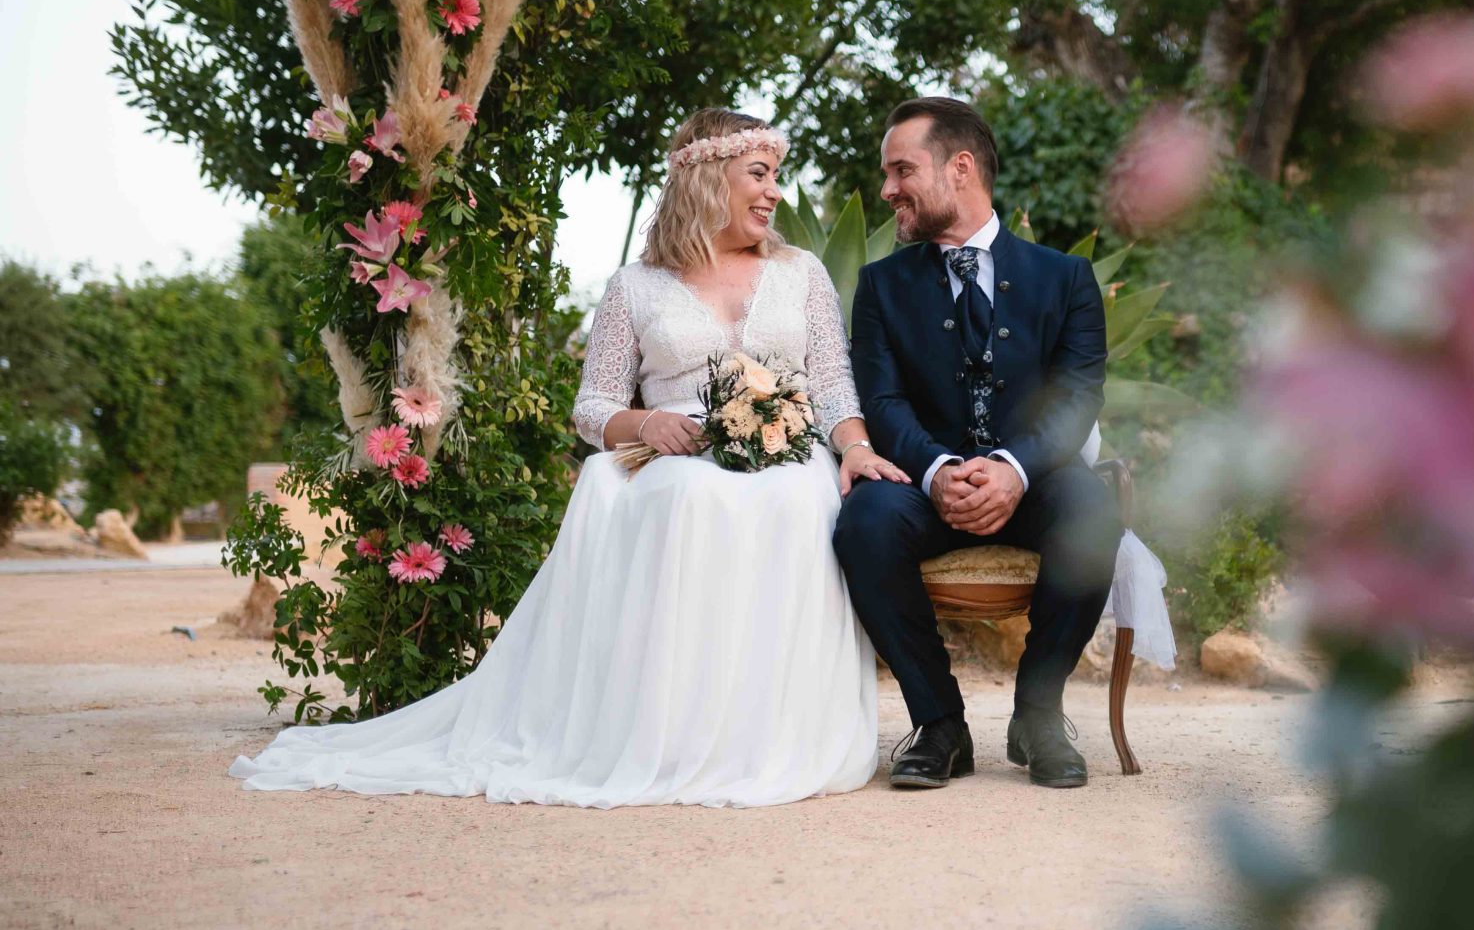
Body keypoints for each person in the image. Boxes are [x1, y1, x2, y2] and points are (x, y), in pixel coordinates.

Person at [230, 109, 885, 807]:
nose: (773, 192)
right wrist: (647, 421)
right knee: (686, 496)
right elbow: (592, 405)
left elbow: (835, 381)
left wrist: (855, 449)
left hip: (788, 445)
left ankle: (766, 735)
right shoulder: (636, 286)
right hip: (675, 446)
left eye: (775, 176)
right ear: (705, 176)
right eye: (759, 174)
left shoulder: (802, 272)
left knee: (794, 497)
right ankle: (667, 734)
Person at [833, 96, 1120, 791]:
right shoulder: (881, 286)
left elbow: (1078, 396)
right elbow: (882, 398)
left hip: (1035, 482)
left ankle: (1038, 716)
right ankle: (940, 723)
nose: (887, 188)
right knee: (864, 524)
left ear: (960, 168)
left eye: (902, 169)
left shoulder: (1065, 278)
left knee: (1094, 510)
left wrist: (1014, 470)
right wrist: (935, 470)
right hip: (924, 487)